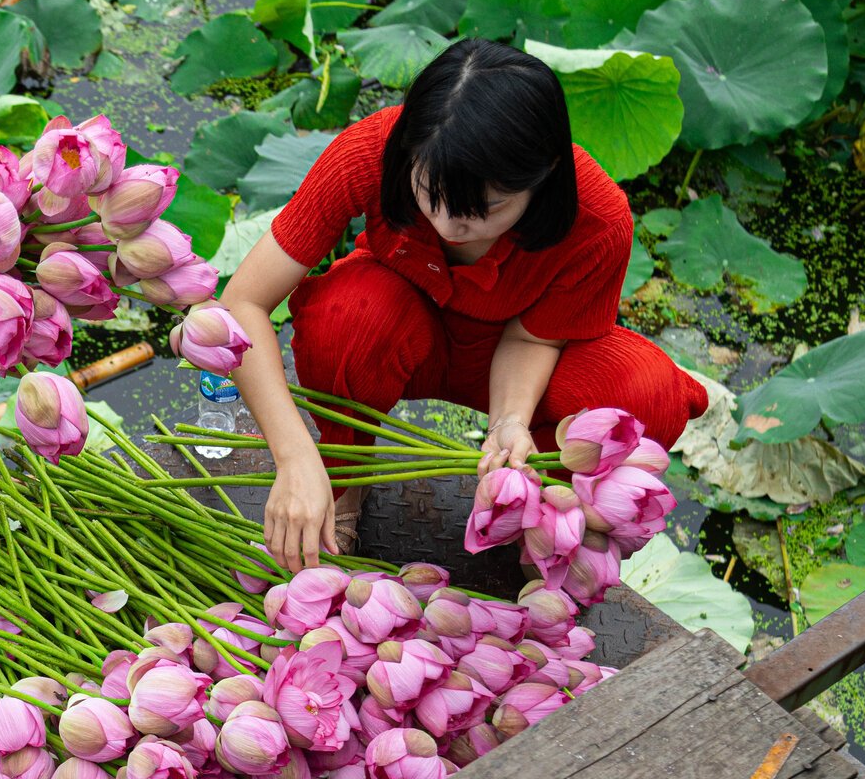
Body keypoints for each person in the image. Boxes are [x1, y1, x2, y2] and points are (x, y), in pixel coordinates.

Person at [218, 38, 708, 572]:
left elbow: (534, 337)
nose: (450, 225)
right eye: (431, 192)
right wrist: (295, 457)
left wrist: (508, 422)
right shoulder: (369, 152)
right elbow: (242, 303)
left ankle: (538, 514)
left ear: (541, 178)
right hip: (397, 329)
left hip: (513, 352)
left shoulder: (599, 218)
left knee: (645, 395)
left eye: (488, 207)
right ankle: (342, 476)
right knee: (346, 316)